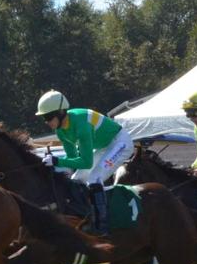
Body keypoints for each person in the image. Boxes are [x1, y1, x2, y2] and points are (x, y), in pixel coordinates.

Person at [35, 89, 134, 235]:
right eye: (44, 118)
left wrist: (56, 161)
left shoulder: (81, 124)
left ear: (61, 112)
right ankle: (85, 219)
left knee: (94, 178)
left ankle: (103, 226)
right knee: (77, 179)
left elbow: (86, 163)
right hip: (103, 147)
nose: (47, 122)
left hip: (120, 142)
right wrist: (54, 168)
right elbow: (72, 160)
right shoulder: (60, 131)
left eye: (49, 117)